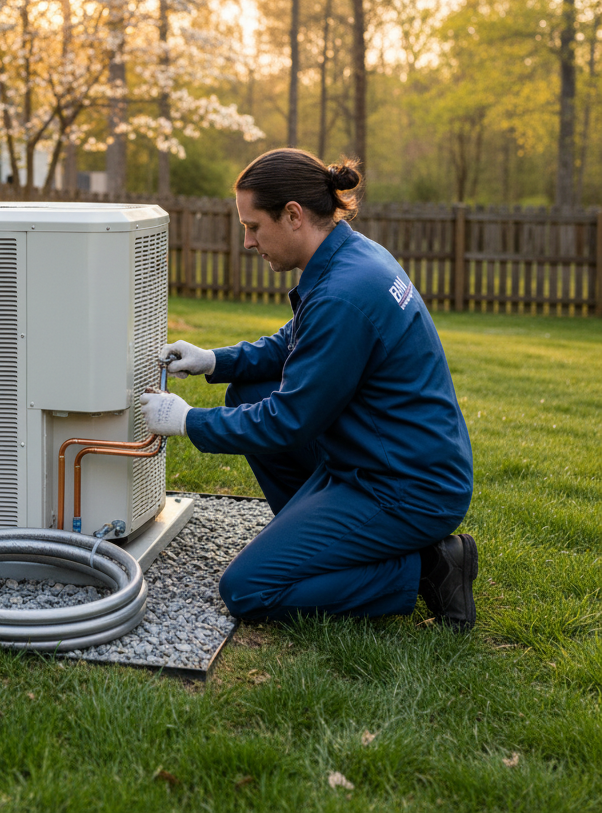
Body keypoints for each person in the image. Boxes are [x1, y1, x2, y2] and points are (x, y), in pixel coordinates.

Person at [139, 148, 477, 630]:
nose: (248, 242)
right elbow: (295, 341)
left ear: (293, 216)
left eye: (254, 226)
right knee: (246, 392)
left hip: (405, 486)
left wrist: (186, 421)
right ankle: (317, 541)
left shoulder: (344, 293)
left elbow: (289, 420)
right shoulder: (354, 256)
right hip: (384, 456)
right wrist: (215, 361)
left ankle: (428, 567)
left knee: (249, 589)